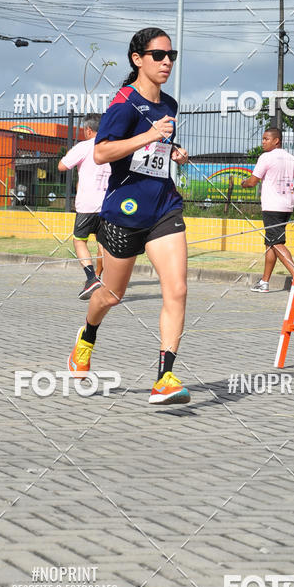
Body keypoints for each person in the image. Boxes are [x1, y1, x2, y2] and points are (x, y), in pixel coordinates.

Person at [68, 27, 190, 406]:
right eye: (158, 55)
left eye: (171, 55)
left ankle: (164, 377)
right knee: (110, 295)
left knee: (178, 289)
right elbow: (102, 153)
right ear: (138, 59)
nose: (167, 61)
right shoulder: (123, 103)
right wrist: (149, 135)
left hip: (164, 208)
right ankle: (85, 339)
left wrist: (172, 152)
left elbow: (155, 148)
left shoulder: (169, 104)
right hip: (124, 212)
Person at [241, 127, 294, 292]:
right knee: (270, 243)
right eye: (263, 139)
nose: (263, 142)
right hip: (287, 206)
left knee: (276, 242)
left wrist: (244, 183)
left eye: (266, 139)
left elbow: (252, 181)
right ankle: (264, 282)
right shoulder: (292, 159)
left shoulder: (266, 157)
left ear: (276, 140)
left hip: (272, 206)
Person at [58, 114, 111, 300]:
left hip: (88, 206)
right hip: (108, 205)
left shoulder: (84, 146)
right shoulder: (111, 147)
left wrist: (73, 154)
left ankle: (91, 278)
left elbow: (62, 166)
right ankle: (107, 281)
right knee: (103, 244)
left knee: (79, 241)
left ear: (88, 130)